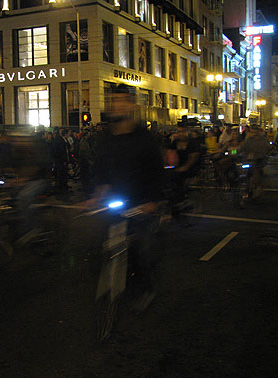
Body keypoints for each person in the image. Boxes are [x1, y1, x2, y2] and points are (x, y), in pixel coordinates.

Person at [91, 84, 165, 312]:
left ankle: (147, 288)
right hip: (115, 201)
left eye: (123, 100)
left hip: (141, 203)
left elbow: (156, 171)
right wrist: (96, 193)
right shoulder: (105, 138)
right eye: (114, 101)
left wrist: (152, 201)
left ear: (131, 104)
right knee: (104, 244)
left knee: (141, 248)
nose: (118, 105)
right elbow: (99, 169)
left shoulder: (145, 138)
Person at [239, 125, 270, 197]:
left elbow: (267, 148)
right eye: (252, 131)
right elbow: (243, 148)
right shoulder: (249, 139)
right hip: (249, 160)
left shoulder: (262, 140)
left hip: (259, 159)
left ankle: (256, 187)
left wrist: (259, 154)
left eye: (255, 131)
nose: (254, 133)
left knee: (256, 172)